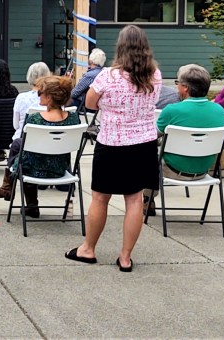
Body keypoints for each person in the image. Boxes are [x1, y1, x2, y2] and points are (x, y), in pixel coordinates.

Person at [66, 25, 161, 272]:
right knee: (134, 200)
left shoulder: (108, 75)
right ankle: (126, 257)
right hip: (144, 143)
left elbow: (89, 103)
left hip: (112, 143)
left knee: (100, 197)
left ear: (120, 47)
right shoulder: (155, 74)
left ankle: (88, 248)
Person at [147, 64, 224, 216]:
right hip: (204, 169)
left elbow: (152, 136)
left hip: (173, 169)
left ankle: (147, 200)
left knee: (146, 152)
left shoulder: (171, 110)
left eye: (177, 83)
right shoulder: (219, 110)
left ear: (184, 88)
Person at [11, 74, 82, 217]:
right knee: (20, 148)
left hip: (33, 171)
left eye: (40, 92)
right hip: (61, 170)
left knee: (18, 151)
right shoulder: (74, 119)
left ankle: (30, 204)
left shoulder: (34, 119)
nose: (38, 95)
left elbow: (26, 149)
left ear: (49, 97)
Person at [0, 61, 51, 202]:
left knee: (18, 147)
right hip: (52, 151)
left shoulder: (22, 98)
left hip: (26, 146)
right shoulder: (56, 101)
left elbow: (16, 126)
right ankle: (28, 202)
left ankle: (8, 188)